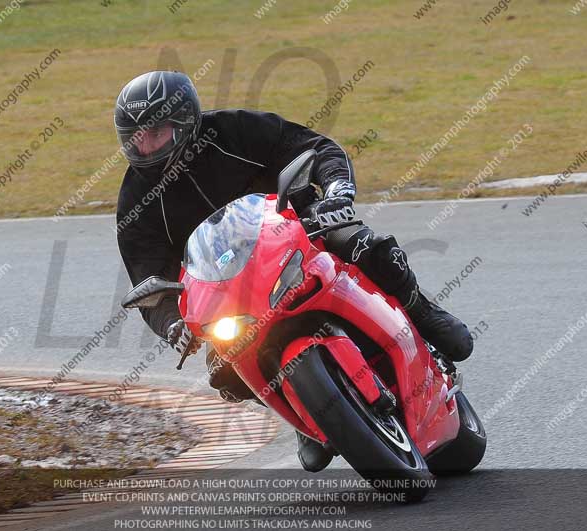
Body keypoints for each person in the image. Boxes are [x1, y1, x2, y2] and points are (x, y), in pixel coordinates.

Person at [115, 71, 473, 472]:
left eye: (155, 134)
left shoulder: (235, 130)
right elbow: (149, 283)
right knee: (224, 370)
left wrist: (336, 191)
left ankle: (422, 311)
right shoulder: (135, 201)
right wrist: (172, 325)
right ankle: (305, 412)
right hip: (227, 289)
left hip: (299, 230)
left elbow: (315, 148)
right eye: (135, 138)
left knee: (366, 246)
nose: (144, 146)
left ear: (185, 123)